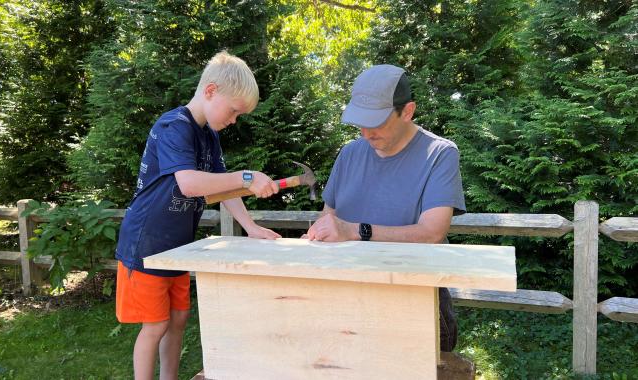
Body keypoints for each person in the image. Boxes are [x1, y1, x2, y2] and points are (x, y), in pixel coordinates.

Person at [115, 51, 281, 380]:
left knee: (177, 319)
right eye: (234, 111)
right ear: (210, 91)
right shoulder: (174, 126)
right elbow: (190, 184)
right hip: (144, 246)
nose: (234, 120)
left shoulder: (209, 137)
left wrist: (250, 227)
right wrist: (246, 177)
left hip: (176, 248)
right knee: (156, 324)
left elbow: (220, 189)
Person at [304, 64, 466, 352]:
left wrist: (355, 231)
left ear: (408, 111)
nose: (366, 133)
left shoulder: (440, 154)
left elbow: (432, 233)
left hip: (414, 303)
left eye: (376, 122)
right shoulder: (350, 153)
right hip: (348, 298)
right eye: (360, 123)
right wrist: (319, 234)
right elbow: (328, 217)